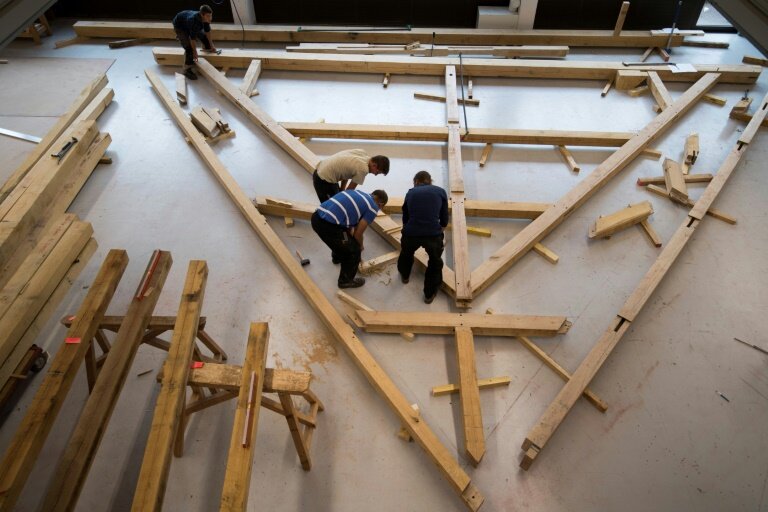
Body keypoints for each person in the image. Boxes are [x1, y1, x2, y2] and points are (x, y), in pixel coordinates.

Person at [311, 189, 389, 289]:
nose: (378, 210)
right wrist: (360, 246)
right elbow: (358, 234)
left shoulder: (357, 193)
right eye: (380, 208)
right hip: (329, 227)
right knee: (354, 250)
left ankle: (337, 258)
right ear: (380, 204)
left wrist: (350, 238)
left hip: (316, 218)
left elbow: (350, 223)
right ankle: (345, 281)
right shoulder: (373, 207)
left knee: (344, 240)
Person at [397, 171, 448, 304]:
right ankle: (429, 294)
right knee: (435, 262)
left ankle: (405, 276)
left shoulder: (411, 192)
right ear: (430, 181)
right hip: (433, 234)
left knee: (406, 253)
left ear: (416, 181)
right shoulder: (441, 191)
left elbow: (405, 216)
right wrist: (439, 229)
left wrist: (407, 229)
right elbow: (444, 217)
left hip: (411, 233)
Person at [313, 149, 389, 203]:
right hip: (323, 180)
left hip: (320, 170)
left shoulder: (361, 153)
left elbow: (346, 172)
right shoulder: (363, 169)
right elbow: (348, 192)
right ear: (374, 165)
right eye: (377, 172)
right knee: (331, 207)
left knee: (338, 199)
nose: (375, 175)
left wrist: (341, 190)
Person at [172, 5, 221, 80]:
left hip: (189, 24)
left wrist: (212, 45)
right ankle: (186, 69)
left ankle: (204, 47)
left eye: (211, 15)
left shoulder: (206, 19)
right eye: (208, 16)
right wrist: (195, 52)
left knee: (206, 40)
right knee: (189, 49)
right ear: (202, 14)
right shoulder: (194, 21)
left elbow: (208, 32)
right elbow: (192, 39)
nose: (210, 18)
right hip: (180, 26)